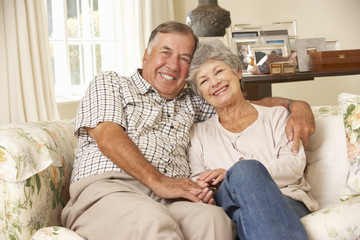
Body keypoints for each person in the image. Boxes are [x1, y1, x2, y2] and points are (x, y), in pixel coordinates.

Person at [61, 21, 315, 240]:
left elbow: (241, 104)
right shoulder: (111, 83)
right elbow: (108, 136)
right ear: (145, 55)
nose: (173, 64)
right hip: (111, 187)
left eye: (184, 58)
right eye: (166, 52)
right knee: (151, 222)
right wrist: (161, 182)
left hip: (171, 197)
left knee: (214, 221)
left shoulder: (192, 101)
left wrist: (297, 105)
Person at [187, 40, 319, 240]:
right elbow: (199, 180)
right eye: (203, 81)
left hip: (286, 203)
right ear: (201, 94)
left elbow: (294, 165)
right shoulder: (197, 134)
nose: (214, 82)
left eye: (219, 71)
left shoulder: (277, 116)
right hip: (228, 205)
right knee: (241, 183)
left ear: (238, 72)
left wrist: (236, 174)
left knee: (244, 190)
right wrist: (213, 186)